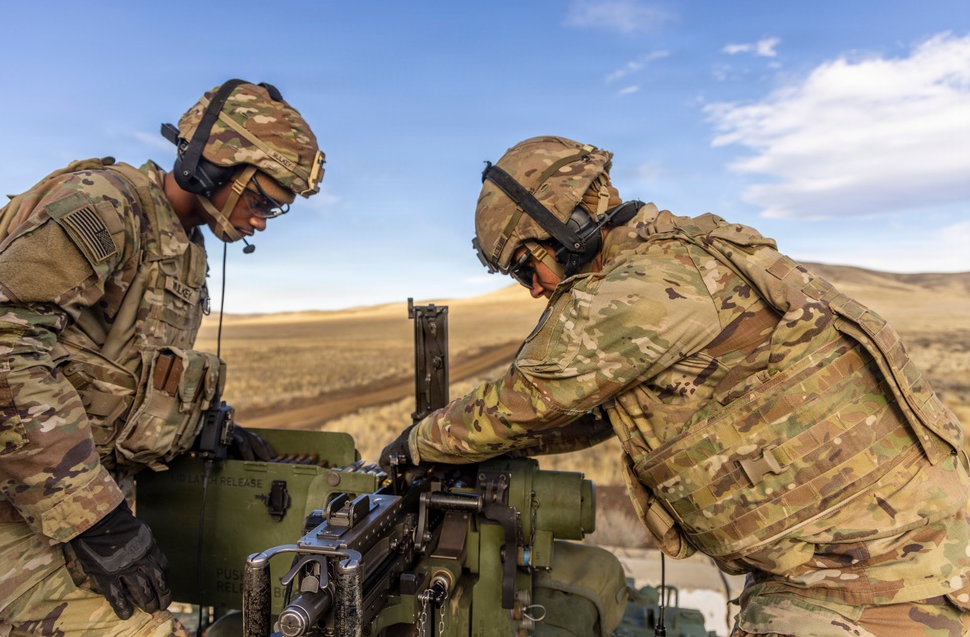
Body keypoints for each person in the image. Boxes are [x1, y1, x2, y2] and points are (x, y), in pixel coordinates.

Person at [381, 135, 970, 637]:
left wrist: (411, 446)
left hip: (868, 577)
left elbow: (520, 403)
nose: (533, 288)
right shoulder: (686, 249)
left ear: (568, 224)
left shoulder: (635, 292)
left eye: (525, 265)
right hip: (891, 548)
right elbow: (585, 413)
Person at [0, 79, 324, 636]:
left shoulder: (185, 248)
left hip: (90, 500)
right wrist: (98, 521)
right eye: (260, 201)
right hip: (6, 508)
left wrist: (201, 427)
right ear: (213, 164)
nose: (259, 222)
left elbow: (126, 377)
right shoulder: (104, 206)